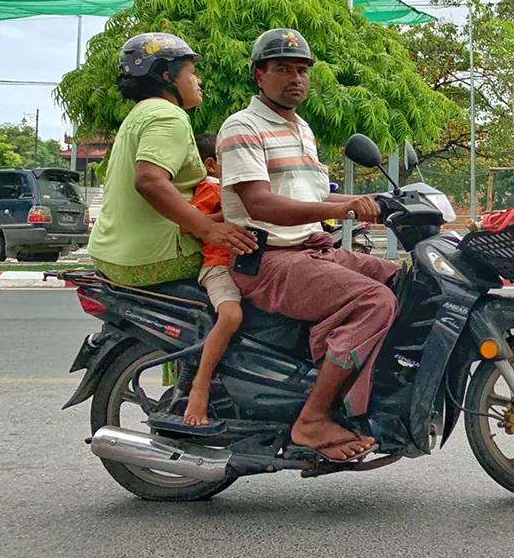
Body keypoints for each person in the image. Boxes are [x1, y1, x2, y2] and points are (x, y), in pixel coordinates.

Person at [218, 29, 400, 463]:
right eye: (283, 69)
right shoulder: (243, 127)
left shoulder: (300, 127)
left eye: (302, 70)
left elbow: (316, 196)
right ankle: (313, 418)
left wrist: (382, 202)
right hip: (268, 260)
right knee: (374, 300)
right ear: (259, 75)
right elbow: (260, 204)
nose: (295, 78)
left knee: (402, 279)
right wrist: (347, 208)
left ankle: (367, 394)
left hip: (310, 250)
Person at [88, 33, 256, 289]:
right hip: (155, 257)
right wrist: (208, 229)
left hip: (111, 253)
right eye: (192, 73)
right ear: (167, 76)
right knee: (260, 268)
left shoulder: (140, 113)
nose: (198, 81)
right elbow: (149, 180)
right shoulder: (168, 115)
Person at [182, 133, 244, 426]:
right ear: (211, 165)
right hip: (218, 266)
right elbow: (189, 226)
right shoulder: (211, 187)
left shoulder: (236, 188)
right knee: (231, 315)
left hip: (243, 267)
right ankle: (200, 386)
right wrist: (231, 215)